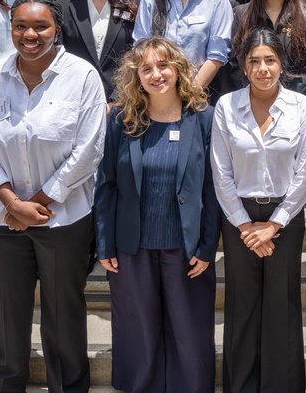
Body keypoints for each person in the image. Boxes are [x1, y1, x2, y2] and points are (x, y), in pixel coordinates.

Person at [0, 0, 107, 393]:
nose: (30, 34)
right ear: (10, 29)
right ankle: (6, 385)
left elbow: (89, 149)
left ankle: (68, 386)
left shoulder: (82, 76)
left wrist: (39, 203)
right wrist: (12, 202)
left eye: (40, 26)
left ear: (57, 29)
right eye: (21, 26)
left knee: (63, 312)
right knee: (7, 313)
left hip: (63, 218)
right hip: (1, 220)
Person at [93, 37, 219, 393]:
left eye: (163, 65)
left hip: (186, 245)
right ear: (136, 76)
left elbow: (213, 187)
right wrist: (105, 244)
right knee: (139, 329)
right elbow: (107, 185)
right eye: (146, 68)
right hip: (133, 244)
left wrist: (208, 246)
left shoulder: (204, 119)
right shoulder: (121, 119)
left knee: (189, 328)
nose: (156, 74)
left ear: (178, 69)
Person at [211, 29, 306, 393]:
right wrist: (244, 226)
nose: (262, 68)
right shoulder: (227, 106)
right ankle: (240, 386)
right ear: (243, 66)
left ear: (282, 64)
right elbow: (221, 172)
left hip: (285, 215)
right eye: (254, 60)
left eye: (270, 59)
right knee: (241, 305)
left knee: (282, 304)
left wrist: (273, 225)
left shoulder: (302, 107)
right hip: (238, 214)